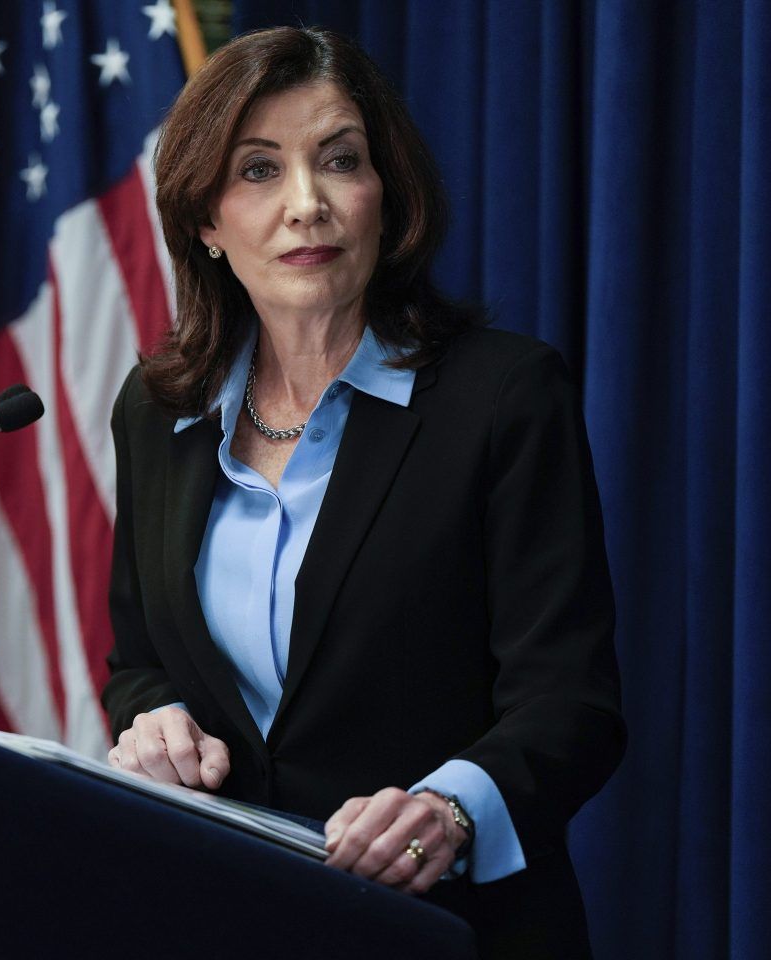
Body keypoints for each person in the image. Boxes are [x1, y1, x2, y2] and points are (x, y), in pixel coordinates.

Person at [102, 26, 624, 959]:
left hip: (445, 927)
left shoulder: (503, 398)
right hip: (221, 915)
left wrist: (451, 810)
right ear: (206, 223)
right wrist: (153, 726)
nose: (307, 205)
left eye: (338, 161)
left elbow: (572, 703)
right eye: (258, 171)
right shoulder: (157, 411)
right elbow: (139, 658)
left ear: (387, 197)